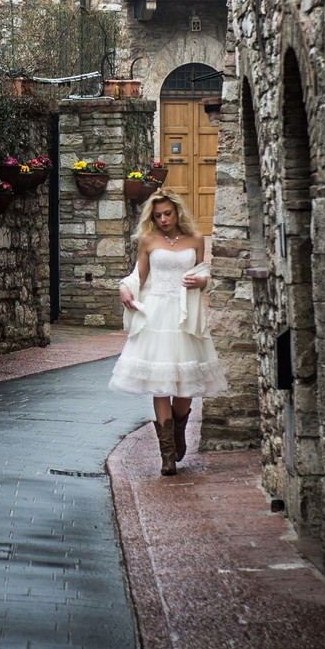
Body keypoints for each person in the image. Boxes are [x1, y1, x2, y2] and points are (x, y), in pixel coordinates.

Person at [109, 190, 228, 475]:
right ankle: (167, 455)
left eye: (167, 214)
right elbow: (139, 275)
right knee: (160, 382)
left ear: (177, 213)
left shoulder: (196, 239)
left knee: (185, 384)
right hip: (156, 314)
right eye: (158, 215)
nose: (163, 220)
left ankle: (178, 432)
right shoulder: (148, 240)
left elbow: (206, 273)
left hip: (186, 315)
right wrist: (125, 288)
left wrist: (201, 280)